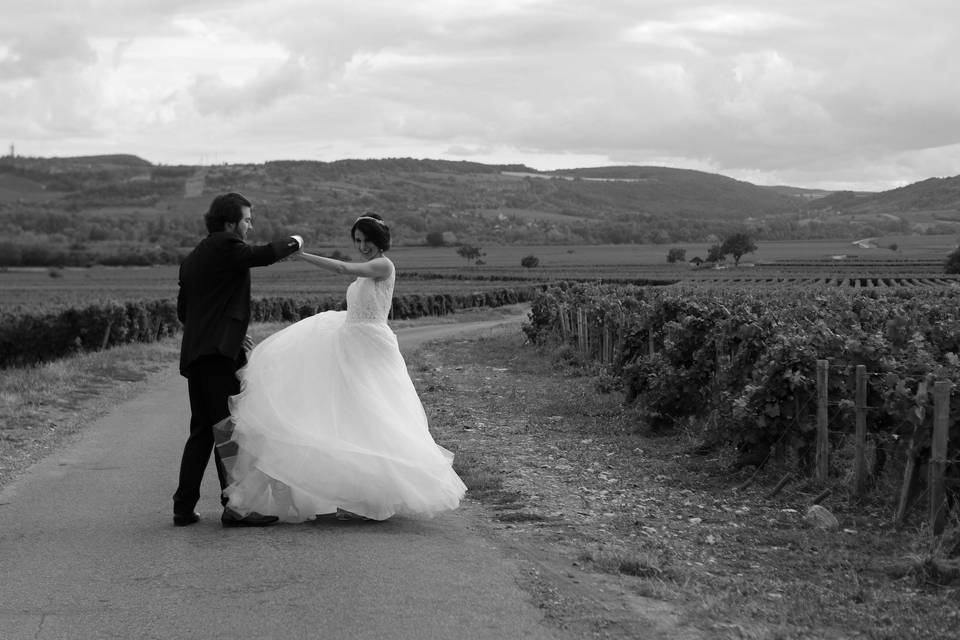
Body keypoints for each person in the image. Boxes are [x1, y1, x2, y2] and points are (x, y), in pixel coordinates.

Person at [220, 213, 467, 522]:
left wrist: (303, 255)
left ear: (379, 241)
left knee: (375, 413)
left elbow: (341, 267)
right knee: (340, 415)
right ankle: (341, 495)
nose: (362, 246)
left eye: (366, 240)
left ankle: (375, 491)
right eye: (358, 241)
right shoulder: (367, 273)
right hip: (349, 339)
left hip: (370, 345)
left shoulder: (383, 265)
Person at [173, 192, 303, 528]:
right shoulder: (226, 246)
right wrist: (295, 241)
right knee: (228, 431)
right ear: (230, 223)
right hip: (218, 357)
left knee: (202, 431)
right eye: (247, 219)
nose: (250, 225)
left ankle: (183, 508)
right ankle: (237, 507)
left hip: (198, 354)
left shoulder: (193, 258)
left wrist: (224, 330)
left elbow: (184, 313)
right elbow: (263, 255)